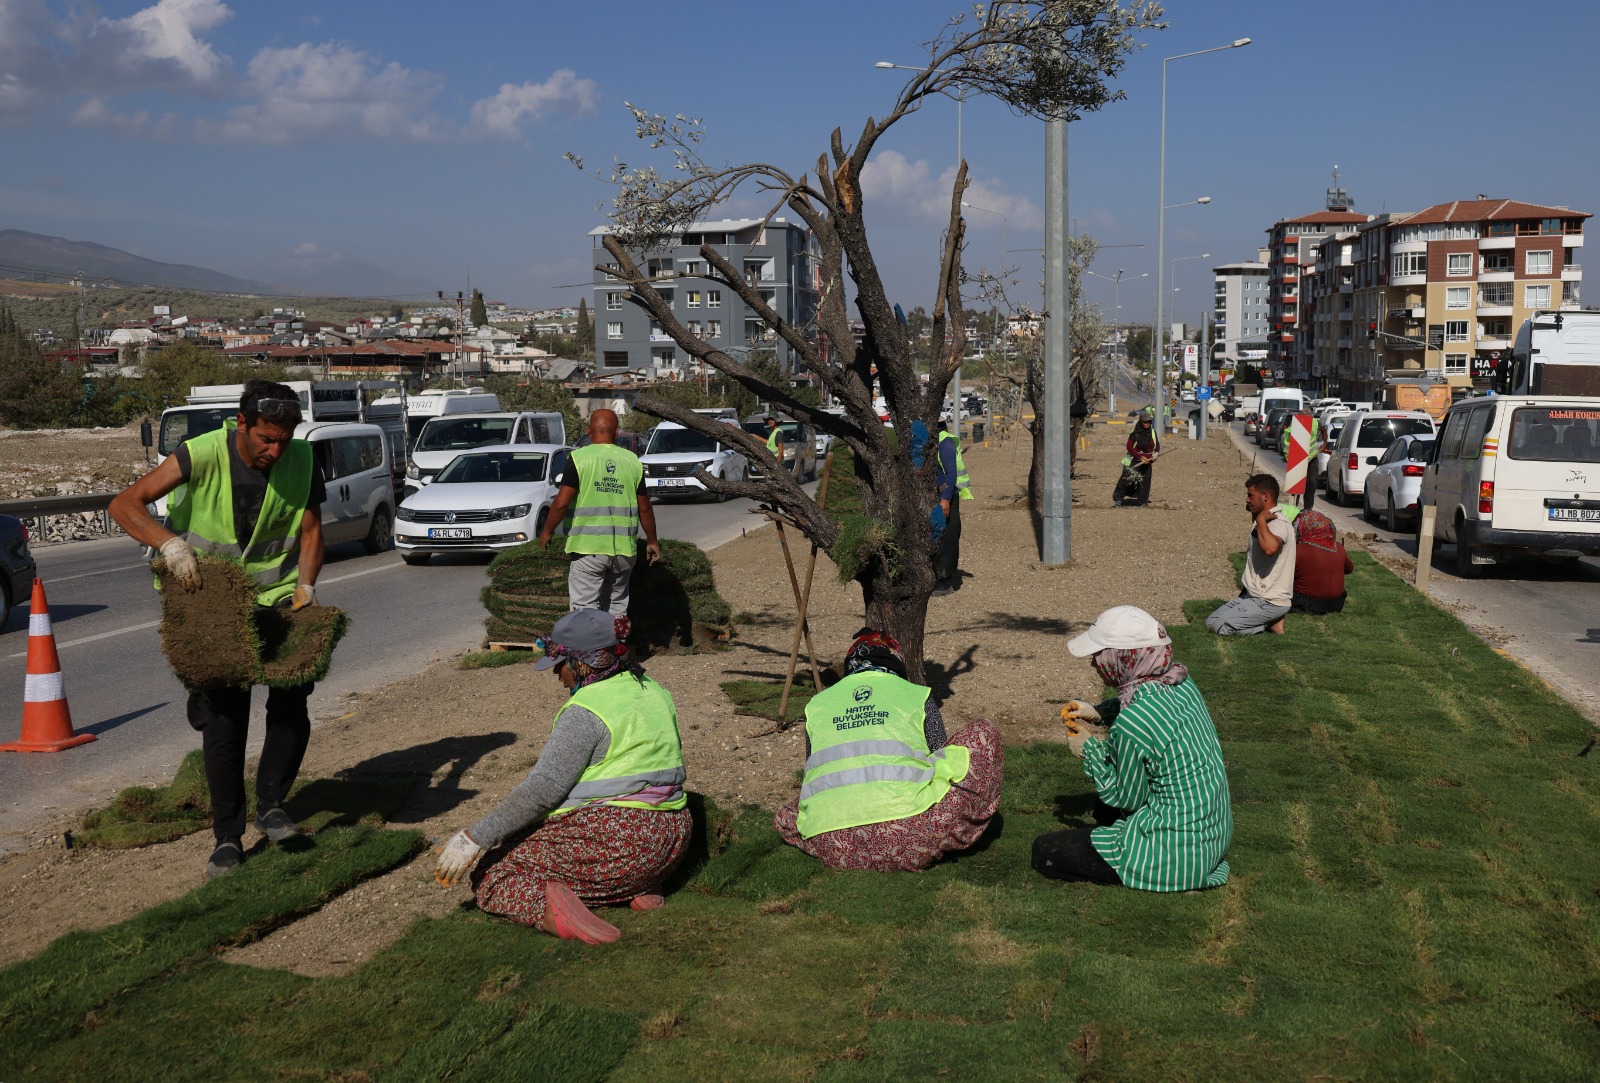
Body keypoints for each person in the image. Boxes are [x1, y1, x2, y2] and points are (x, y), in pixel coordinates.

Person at [108, 380, 326, 879]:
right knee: (225, 720)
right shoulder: (199, 453)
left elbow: (312, 530)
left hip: (276, 597)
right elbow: (124, 504)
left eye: (284, 440)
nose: (275, 450)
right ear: (242, 423)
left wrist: (308, 585)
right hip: (209, 601)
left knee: (293, 697)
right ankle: (227, 838)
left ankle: (272, 804)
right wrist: (170, 546)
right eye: (265, 439)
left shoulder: (302, 459)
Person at [432, 608, 692, 944]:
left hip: (619, 843)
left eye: (560, 663)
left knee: (494, 872)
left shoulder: (586, 710)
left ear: (581, 664)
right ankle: (638, 885)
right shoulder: (652, 690)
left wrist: (474, 837)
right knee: (532, 844)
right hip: (672, 840)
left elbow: (544, 789)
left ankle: (564, 916)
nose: (556, 673)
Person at [1032, 606, 1233, 891]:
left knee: (1044, 850)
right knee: (1103, 810)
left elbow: (1127, 797)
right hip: (1212, 836)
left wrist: (1089, 748)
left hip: (1172, 854)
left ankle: (1150, 868)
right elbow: (1145, 713)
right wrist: (1100, 712)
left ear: (1122, 658)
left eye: (1098, 656)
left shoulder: (1131, 724)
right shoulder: (1181, 682)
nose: (1093, 663)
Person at [774, 629, 1003, 871]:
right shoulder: (916, 695)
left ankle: (843, 841)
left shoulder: (817, 704)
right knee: (983, 732)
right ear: (895, 662)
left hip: (835, 847)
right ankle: (919, 832)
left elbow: (814, 771)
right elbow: (939, 753)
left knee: (790, 813)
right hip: (910, 838)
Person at [538, 408, 661, 615]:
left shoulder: (579, 459)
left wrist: (547, 531)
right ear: (616, 433)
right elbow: (645, 508)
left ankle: (589, 647)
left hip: (588, 550)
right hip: (623, 551)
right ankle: (614, 647)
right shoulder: (632, 461)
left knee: (585, 609)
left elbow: (561, 503)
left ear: (588, 431)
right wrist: (652, 541)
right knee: (616, 609)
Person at [1205, 473, 1296, 636]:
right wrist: (1258, 518)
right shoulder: (1264, 520)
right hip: (1252, 597)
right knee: (1210, 622)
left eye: (1250, 495)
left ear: (1265, 496)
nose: (1247, 499)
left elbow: (1270, 549)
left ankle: (1269, 624)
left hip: (1269, 601)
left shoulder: (1278, 523)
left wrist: (1260, 520)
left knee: (1220, 627)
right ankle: (1270, 621)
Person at [933, 418, 971, 596]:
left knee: (948, 536)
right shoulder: (931, 442)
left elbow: (951, 473)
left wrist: (945, 498)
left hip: (946, 498)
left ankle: (945, 580)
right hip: (934, 497)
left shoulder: (945, 443)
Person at [1289, 508, 1352, 614]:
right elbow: (1349, 569)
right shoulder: (1339, 547)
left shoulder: (1298, 550)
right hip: (1336, 603)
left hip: (1304, 603)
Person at [1112, 413, 1159, 506]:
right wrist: (1140, 457)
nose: (1147, 424)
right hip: (1134, 461)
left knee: (1144, 482)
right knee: (1127, 480)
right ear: (1141, 422)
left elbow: (1157, 445)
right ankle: (1118, 499)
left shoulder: (1153, 432)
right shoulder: (1134, 433)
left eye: (1149, 422)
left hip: (1147, 462)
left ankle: (1143, 501)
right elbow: (1129, 447)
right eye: (1145, 422)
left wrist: (1156, 454)